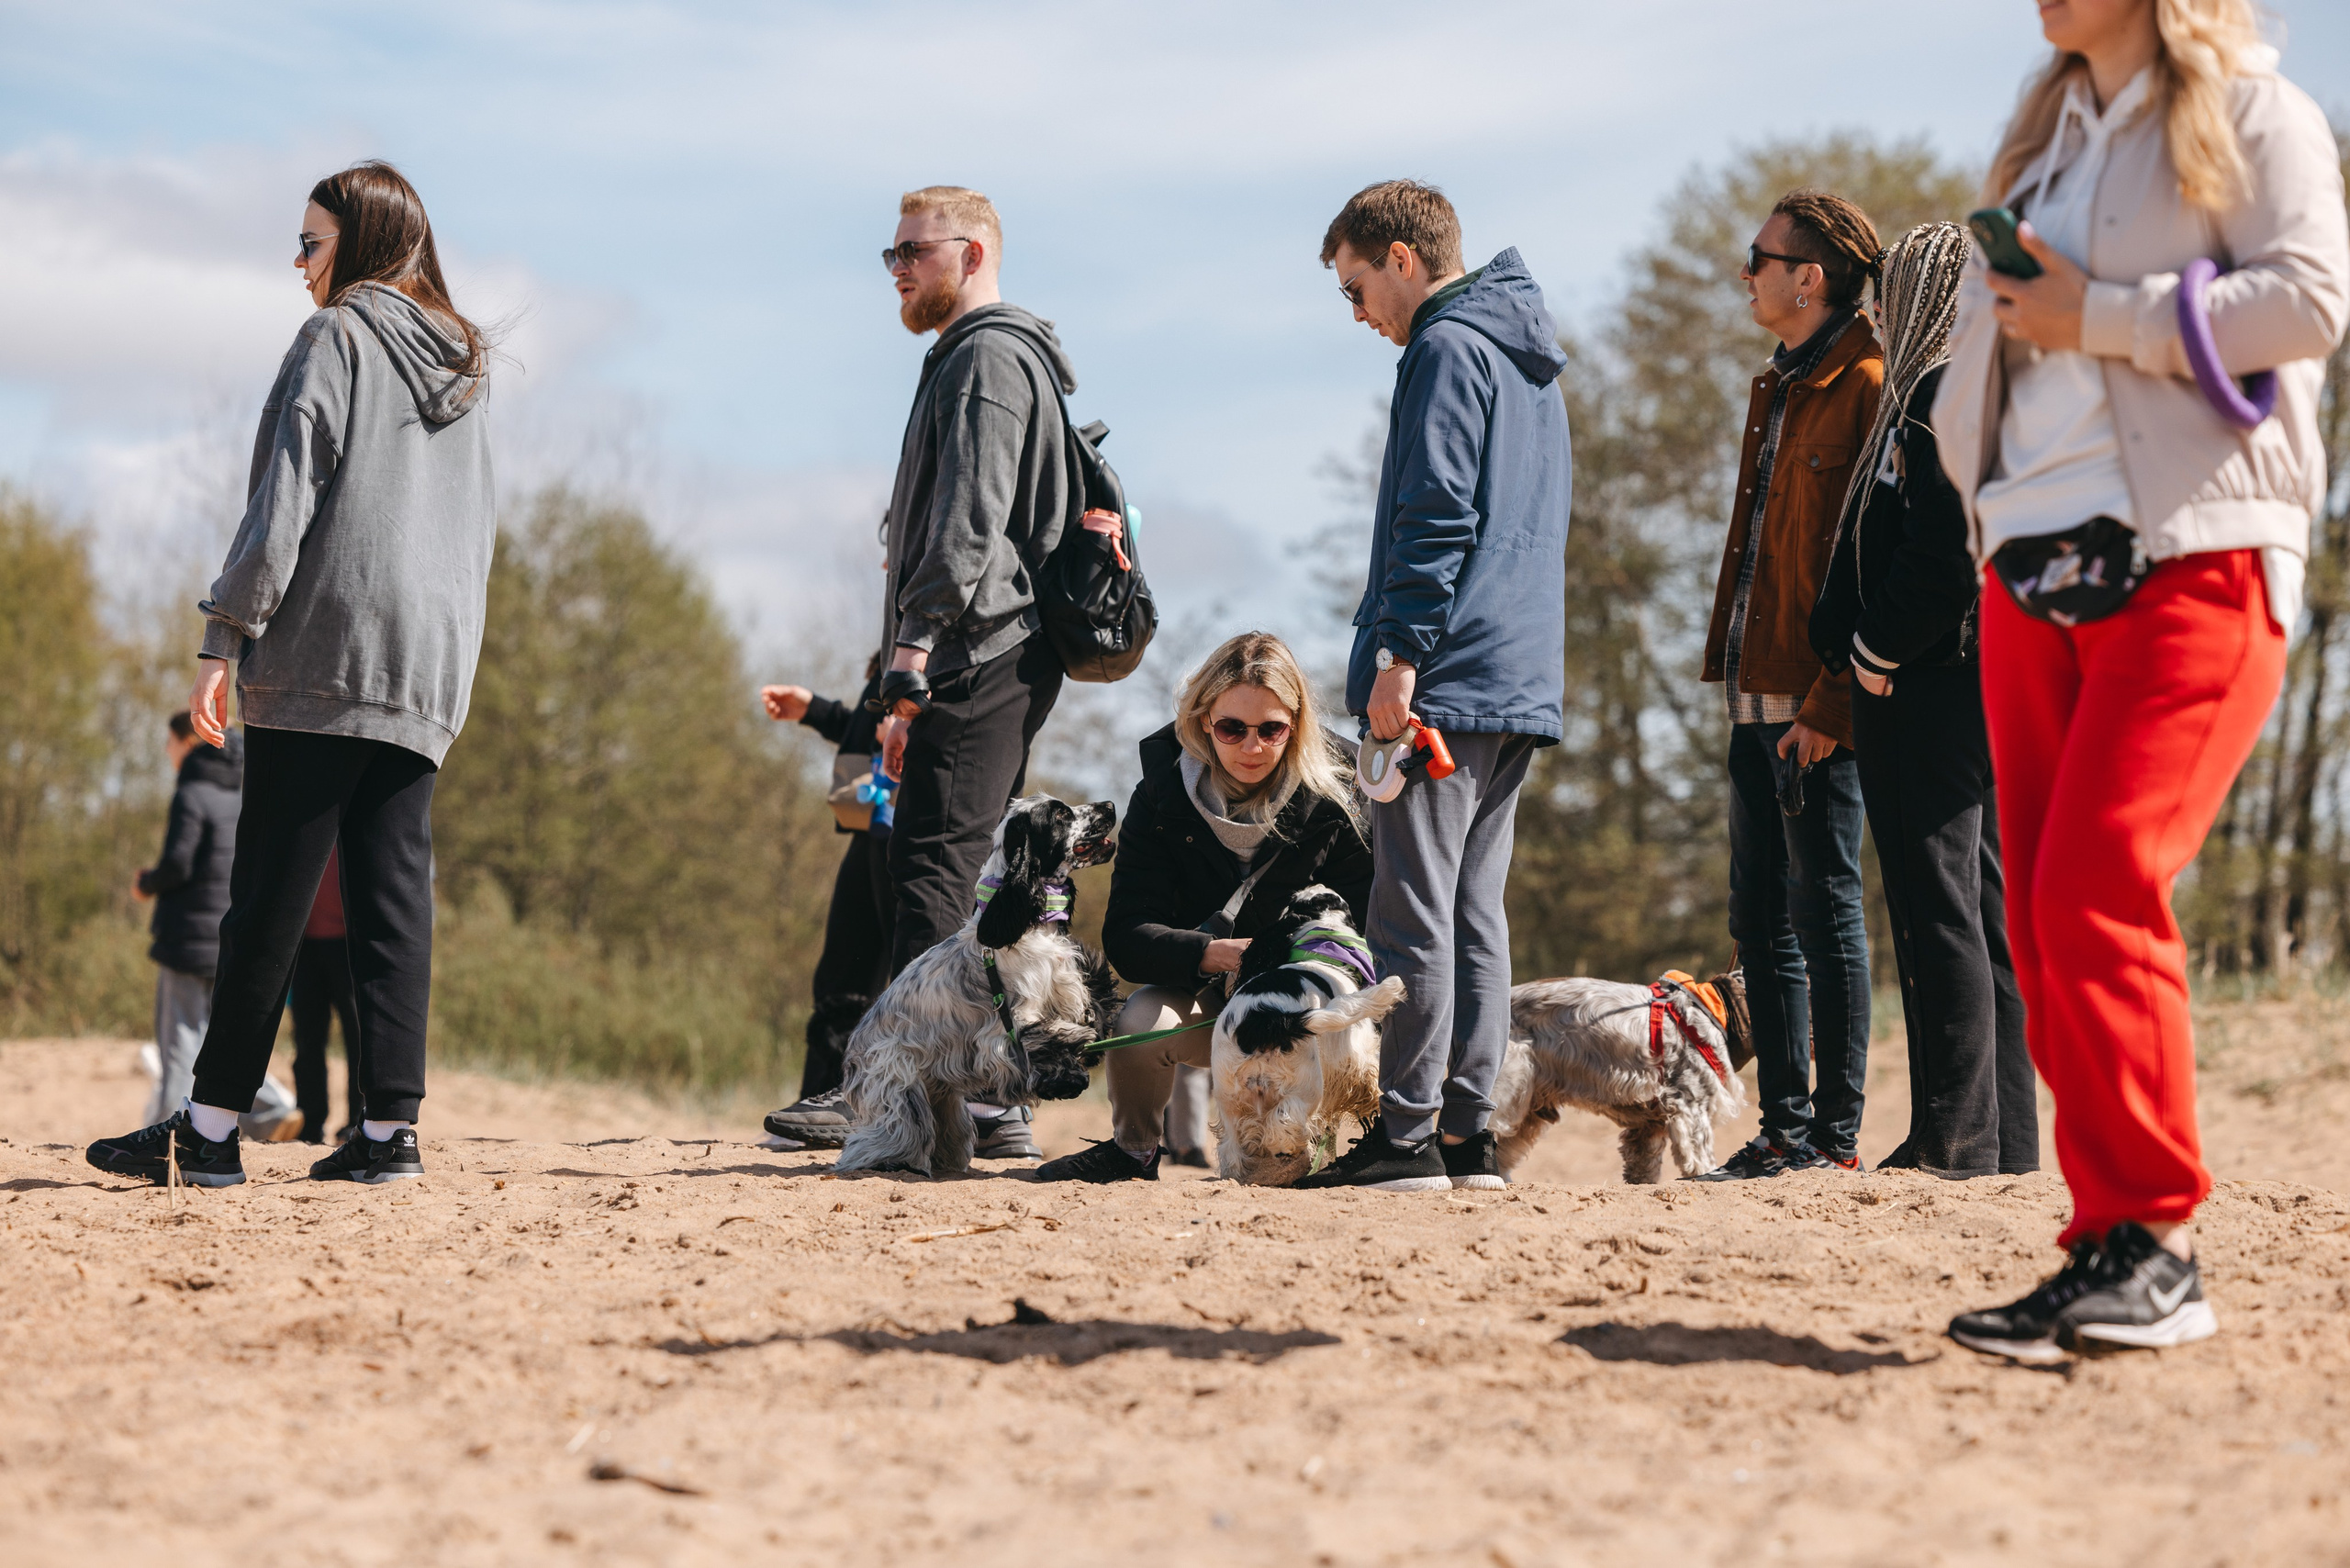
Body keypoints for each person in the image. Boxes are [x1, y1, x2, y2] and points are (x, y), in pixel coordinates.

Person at [1938, 0, 2347, 1359]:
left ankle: (2160, 1245)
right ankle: (2108, 1241)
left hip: (2195, 548)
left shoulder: (2255, 112)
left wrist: (2097, 314)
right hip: (2028, 562)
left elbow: (2308, 298)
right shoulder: (2044, 140)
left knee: (2097, 885)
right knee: (2046, 926)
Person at [86, 159, 497, 1189]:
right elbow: (478, 535)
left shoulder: (336, 338)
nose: (298, 265)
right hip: (426, 664)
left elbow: (286, 500)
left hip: (326, 643)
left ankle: (211, 1129)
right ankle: (389, 1133)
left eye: (310, 244)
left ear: (356, 245)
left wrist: (225, 634)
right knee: (393, 891)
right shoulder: (462, 368)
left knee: (268, 887)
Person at [1293, 180, 1571, 1194]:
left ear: (1402, 261)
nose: (1359, 313)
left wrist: (1396, 657)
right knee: (1472, 914)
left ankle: (1404, 1139)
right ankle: (1466, 1140)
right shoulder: (1526, 359)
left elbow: (1438, 511)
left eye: (1357, 287)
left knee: (1409, 912)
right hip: (1516, 671)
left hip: (1445, 675)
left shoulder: (1446, 349)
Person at [1809, 222, 2038, 1180]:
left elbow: (1943, 553)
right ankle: (2003, 1141)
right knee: (1981, 914)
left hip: (1927, 681)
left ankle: (1952, 1134)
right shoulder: (1954, 395)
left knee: (1933, 902)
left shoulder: (1938, 397)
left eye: (1889, 289)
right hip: (1953, 681)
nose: (1872, 309)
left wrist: (1868, 647)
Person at [867, 185, 1081, 1162]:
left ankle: (944, 1104)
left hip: (976, 647)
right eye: (893, 253)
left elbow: (968, 520)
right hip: (980, 646)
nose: (900, 267)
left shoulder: (990, 356)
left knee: (938, 878)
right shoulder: (970, 354)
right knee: (946, 870)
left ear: (975, 251)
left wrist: (910, 654)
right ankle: (975, 1103)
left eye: (914, 249)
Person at [1694, 189, 1886, 1182]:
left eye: (1758, 258)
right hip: (1748, 689)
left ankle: (1835, 1141)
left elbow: (1868, 559)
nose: (1745, 272)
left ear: (1807, 276)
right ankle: (1784, 1130)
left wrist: (1832, 700)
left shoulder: (1868, 381)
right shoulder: (1775, 381)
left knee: (1826, 910)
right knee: (1757, 916)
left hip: (1817, 703)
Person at [1034, 632, 1372, 1183]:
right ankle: (1134, 1152)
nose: (1252, 745)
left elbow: (1368, 932)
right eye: (1232, 728)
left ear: (1297, 725)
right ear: (1201, 722)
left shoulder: (1340, 800)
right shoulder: (1159, 797)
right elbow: (1126, 936)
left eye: (1272, 729)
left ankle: (1336, 1150)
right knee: (1141, 1017)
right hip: (1209, 1002)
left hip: (1313, 1014)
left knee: (1282, 1160)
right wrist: (1208, 953)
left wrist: (1288, 966)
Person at [132, 713, 301, 1142]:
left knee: (181, 1043)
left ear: (188, 744)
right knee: (222, 1037)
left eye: (169, 743)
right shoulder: (248, 796)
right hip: (229, 934)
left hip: (186, 940)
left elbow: (177, 864)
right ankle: (270, 1111)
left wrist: (146, 883)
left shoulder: (191, 793)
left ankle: (165, 1137)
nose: (168, 752)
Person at [759, 664, 896, 1149]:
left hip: (912, 828)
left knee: (910, 975)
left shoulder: (932, 618)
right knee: (843, 975)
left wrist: (910, 726)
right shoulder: (896, 626)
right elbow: (870, 724)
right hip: (870, 827)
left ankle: (979, 1112)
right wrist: (816, 711)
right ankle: (817, 1105)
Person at [287, 845, 364, 1145]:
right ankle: (309, 1122)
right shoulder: (306, 818)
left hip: (352, 946)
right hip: (305, 947)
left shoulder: (360, 817)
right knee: (307, 1041)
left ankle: (359, 1123)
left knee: (359, 1039)